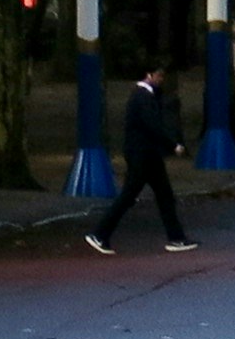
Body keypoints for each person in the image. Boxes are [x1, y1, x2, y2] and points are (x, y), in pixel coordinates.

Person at [83, 65, 195, 257]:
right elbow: (152, 125)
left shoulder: (143, 95)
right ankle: (100, 233)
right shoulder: (143, 97)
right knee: (132, 195)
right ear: (148, 75)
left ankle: (176, 237)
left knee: (162, 194)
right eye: (159, 75)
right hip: (143, 155)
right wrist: (172, 145)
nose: (161, 79)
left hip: (146, 154)